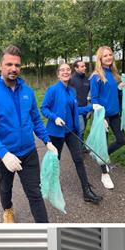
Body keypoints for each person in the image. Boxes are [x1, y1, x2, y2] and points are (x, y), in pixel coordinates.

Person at [0, 45, 57, 223]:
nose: (14, 69)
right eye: (9, 64)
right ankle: (7, 209)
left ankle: (45, 234)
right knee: (5, 187)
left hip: (28, 152)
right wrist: (3, 154)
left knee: (35, 194)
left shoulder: (27, 92)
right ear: (0, 66)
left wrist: (47, 140)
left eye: (17, 65)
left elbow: (36, 120)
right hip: (3, 154)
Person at [41, 63, 101, 204]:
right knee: (56, 160)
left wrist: (92, 106)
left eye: (68, 69)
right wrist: (55, 118)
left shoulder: (71, 91)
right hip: (56, 133)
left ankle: (86, 191)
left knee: (78, 159)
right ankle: (52, 186)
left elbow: (76, 111)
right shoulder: (53, 90)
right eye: (62, 70)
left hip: (71, 131)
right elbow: (43, 108)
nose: (66, 72)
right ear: (58, 74)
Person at [90, 46, 125, 190]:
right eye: (105, 56)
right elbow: (94, 99)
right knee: (102, 145)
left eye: (110, 55)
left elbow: (113, 95)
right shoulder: (96, 76)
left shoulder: (114, 74)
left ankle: (102, 157)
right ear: (100, 58)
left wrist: (119, 89)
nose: (108, 57)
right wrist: (101, 117)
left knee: (121, 140)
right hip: (103, 116)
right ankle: (104, 174)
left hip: (115, 114)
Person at [68, 60, 91, 138]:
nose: (85, 67)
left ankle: (80, 146)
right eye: (82, 66)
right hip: (76, 109)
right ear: (76, 68)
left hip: (85, 108)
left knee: (82, 130)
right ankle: (78, 149)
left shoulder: (87, 79)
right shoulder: (71, 80)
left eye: (84, 66)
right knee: (81, 129)